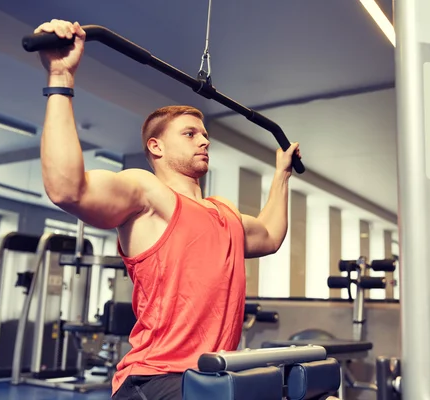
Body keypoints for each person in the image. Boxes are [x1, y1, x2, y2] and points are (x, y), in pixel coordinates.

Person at [34, 19, 301, 400]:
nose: (203, 140)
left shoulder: (222, 211)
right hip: (156, 379)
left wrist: (282, 176)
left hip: (214, 375)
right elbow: (66, 190)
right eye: (190, 134)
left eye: (205, 134)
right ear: (156, 147)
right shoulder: (147, 193)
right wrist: (61, 78)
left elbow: (271, 235)